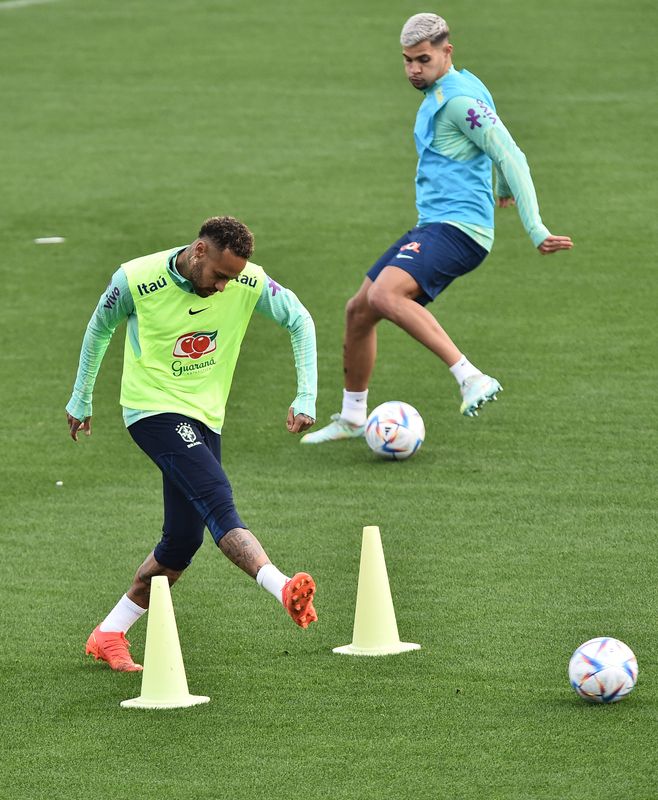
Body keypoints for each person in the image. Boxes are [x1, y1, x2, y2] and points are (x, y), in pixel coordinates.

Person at [301, 12, 573, 445]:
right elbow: (495, 147)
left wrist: (535, 227)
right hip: (433, 225)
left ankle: (471, 378)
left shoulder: (459, 102)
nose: (413, 70)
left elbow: (511, 153)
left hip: (460, 230)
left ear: (447, 51)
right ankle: (354, 416)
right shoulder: (463, 85)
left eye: (423, 60)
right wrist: (499, 185)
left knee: (386, 294)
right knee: (359, 310)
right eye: (407, 61)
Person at [66, 216, 318, 672]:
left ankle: (109, 632)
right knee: (217, 498)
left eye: (233, 278)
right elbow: (99, 328)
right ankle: (282, 586)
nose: (225, 287)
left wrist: (306, 394)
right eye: (220, 275)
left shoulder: (246, 280)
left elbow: (299, 319)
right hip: (152, 409)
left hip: (206, 417)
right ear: (198, 251)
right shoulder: (135, 279)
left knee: (181, 541)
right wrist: (81, 398)